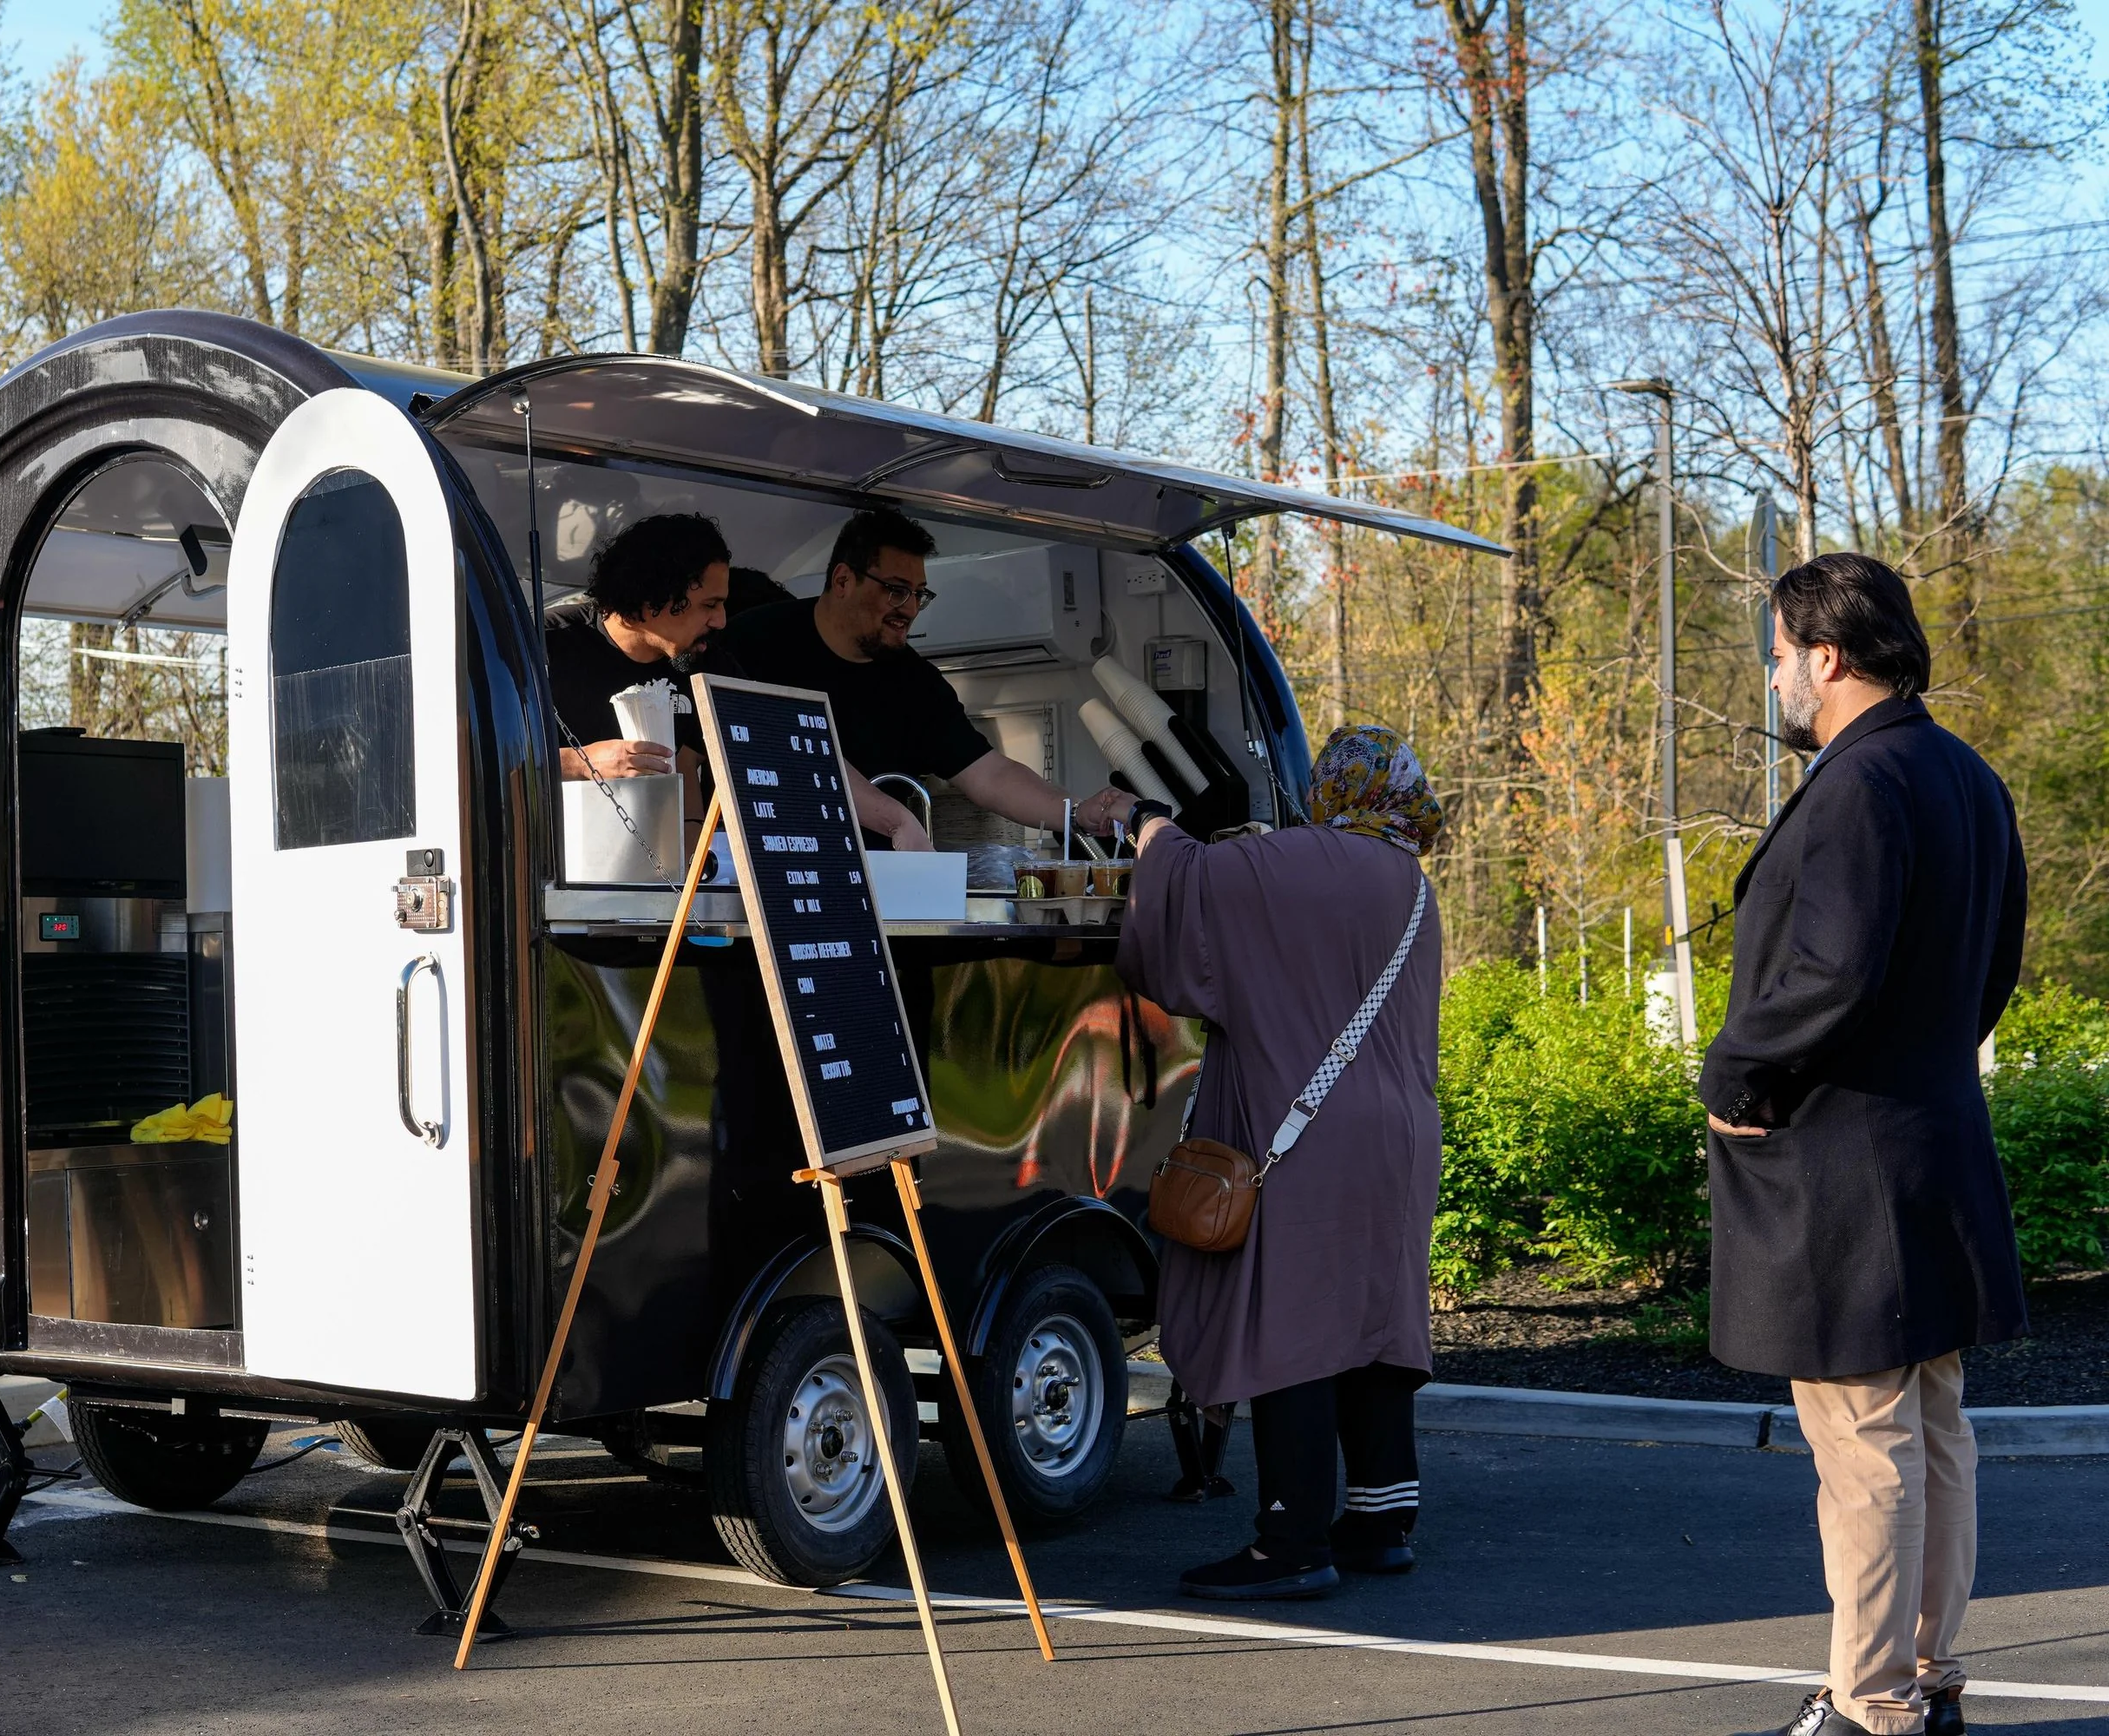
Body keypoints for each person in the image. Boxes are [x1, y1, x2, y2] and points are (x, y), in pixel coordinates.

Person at [1701, 553, 2027, 1736]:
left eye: (1778, 656)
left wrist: (1737, 1074)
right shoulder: (1964, 776)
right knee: (1933, 1429)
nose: (1775, 676)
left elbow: (1828, 969)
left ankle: (1874, 1704)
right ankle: (1923, 1682)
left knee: (1868, 1444)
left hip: (1844, 1163)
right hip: (1934, 1137)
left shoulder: (1858, 783)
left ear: (1826, 657)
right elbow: (1993, 968)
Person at [1114, 724, 1444, 1601]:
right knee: (1374, 1321)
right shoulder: (1410, 879)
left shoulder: (1308, 859)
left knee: (1294, 1327)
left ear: (1333, 787)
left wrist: (1149, 823)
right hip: (1402, 1134)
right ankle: (1381, 1521)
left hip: (1311, 1138)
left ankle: (1292, 1540)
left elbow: (1186, 889)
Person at [721, 505, 1138, 839]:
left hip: (876, 884)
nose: (910, 609)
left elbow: (990, 774)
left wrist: (1078, 812)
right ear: (844, 580)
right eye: (897, 590)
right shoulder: (755, 640)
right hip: (755, 873)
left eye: (919, 594)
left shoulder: (915, 683)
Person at [544, 512, 924, 852]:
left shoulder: (705, 663)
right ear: (652, 597)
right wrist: (582, 763)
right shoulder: (543, 644)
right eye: (709, 605)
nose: (722, 621)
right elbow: (485, 763)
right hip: (539, 886)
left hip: (647, 884)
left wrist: (896, 820)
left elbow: (793, 748)